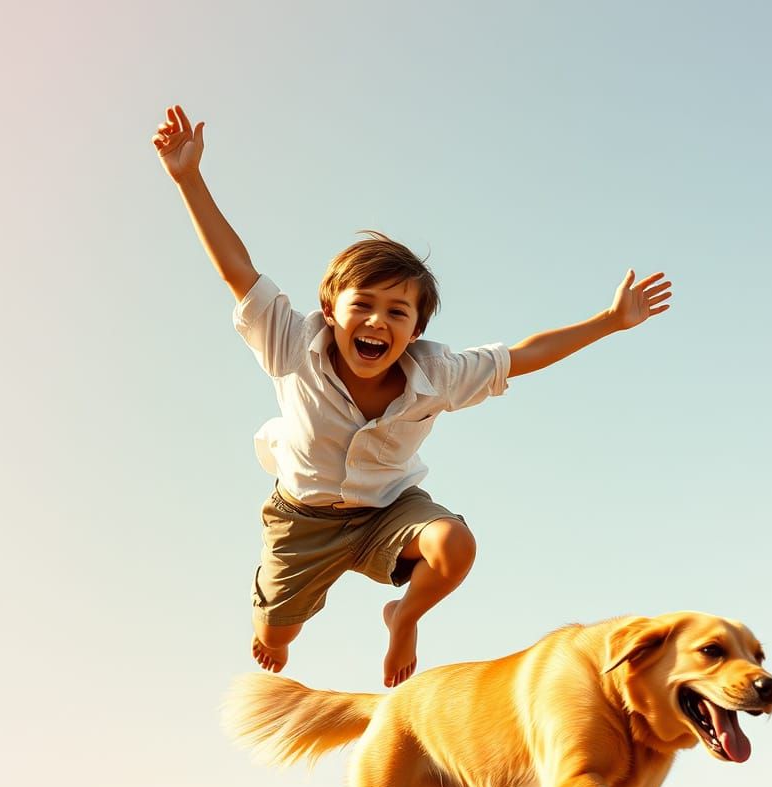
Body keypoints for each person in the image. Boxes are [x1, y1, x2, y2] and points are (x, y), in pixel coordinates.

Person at [152, 104, 672, 687]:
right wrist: (188, 178)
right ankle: (278, 617)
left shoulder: (438, 373)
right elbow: (238, 270)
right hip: (303, 518)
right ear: (331, 310)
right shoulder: (293, 343)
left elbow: (523, 356)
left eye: (396, 312)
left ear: (415, 331)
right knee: (277, 636)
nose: (377, 321)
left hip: (389, 511)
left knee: (455, 545)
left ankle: (404, 615)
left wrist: (607, 321)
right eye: (362, 307)